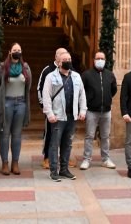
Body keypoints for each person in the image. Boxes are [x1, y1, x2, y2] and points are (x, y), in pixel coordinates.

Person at [42, 51, 87, 182]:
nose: (68, 61)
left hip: (72, 116)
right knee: (54, 144)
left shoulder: (77, 76)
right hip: (57, 117)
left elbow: (82, 95)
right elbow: (46, 96)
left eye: (69, 59)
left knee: (67, 144)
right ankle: (53, 171)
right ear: (59, 62)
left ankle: (64, 169)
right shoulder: (51, 77)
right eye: (65, 60)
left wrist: (83, 110)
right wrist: (49, 113)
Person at [0, 42, 32, 175]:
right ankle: (4, 163)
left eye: (19, 50)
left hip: (20, 104)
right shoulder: (2, 68)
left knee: (17, 134)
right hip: (6, 104)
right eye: (14, 50)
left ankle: (15, 163)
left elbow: (28, 86)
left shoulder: (25, 67)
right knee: (4, 134)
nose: (17, 52)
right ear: (9, 52)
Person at [80, 50, 118, 170]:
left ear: (105, 61)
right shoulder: (86, 75)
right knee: (89, 136)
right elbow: (81, 91)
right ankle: (86, 159)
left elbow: (113, 90)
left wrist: (106, 100)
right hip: (92, 111)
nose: (100, 61)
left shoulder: (110, 75)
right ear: (94, 60)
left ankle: (106, 159)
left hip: (106, 111)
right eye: (98, 58)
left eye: (102, 59)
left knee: (105, 136)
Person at [38, 47, 67, 169]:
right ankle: (47, 157)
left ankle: (64, 157)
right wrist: (43, 105)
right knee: (49, 133)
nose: (64, 57)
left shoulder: (70, 69)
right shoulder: (47, 70)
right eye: (61, 54)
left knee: (66, 134)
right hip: (51, 109)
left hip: (66, 109)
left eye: (66, 55)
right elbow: (40, 88)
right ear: (56, 57)